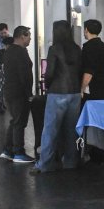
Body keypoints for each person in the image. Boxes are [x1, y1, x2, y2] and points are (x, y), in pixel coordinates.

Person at [34, 20, 83, 174]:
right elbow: (80, 71)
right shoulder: (77, 49)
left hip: (57, 93)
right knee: (71, 130)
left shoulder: (54, 49)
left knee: (50, 130)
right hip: (75, 93)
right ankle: (70, 162)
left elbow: (49, 73)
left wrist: (47, 86)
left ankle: (44, 164)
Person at [0, 25, 35, 163]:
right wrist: (29, 93)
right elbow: (24, 75)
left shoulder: (9, 51)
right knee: (20, 122)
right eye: (29, 36)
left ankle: (8, 150)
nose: (30, 39)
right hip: (19, 93)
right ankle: (19, 152)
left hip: (9, 92)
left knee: (15, 120)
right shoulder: (20, 52)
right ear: (22, 36)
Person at [80, 19, 104, 101]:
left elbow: (89, 72)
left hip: (92, 91)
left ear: (86, 30)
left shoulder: (88, 48)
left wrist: (81, 89)